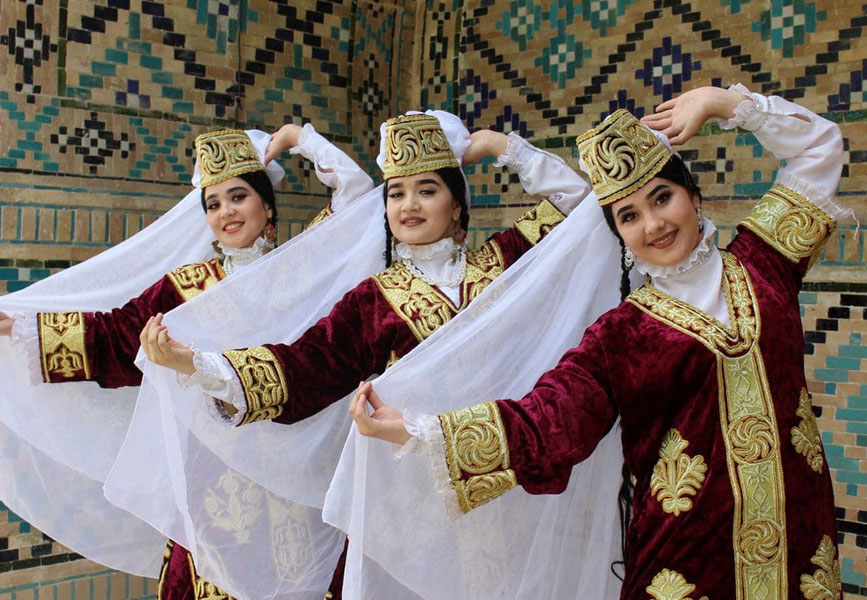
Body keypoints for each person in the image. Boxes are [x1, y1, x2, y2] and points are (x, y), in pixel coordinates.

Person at [351, 85, 845, 600]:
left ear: (693, 197)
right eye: (629, 215)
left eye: (662, 198)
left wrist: (724, 104)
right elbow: (545, 422)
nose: (653, 224)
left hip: (801, 548)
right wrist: (415, 429)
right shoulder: (620, 335)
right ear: (617, 231)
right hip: (684, 565)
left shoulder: (765, 263)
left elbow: (820, 148)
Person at [140, 110, 593, 598]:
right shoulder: (374, 299)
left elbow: (580, 203)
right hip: (408, 506)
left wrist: (499, 147)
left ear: (457, 205)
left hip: (500, 487)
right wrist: (198, 365)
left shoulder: (501, 265)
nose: (409, 205)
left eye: (427, 189)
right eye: (396, 193)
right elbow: (303, 367)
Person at [0, 124, 374, 600]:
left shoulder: (303, 267)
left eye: (238, 197)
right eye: (213, 204)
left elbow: (358, 195)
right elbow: (116, 335)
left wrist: (300, 139)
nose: (226, 213)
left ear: (267, 203)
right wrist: (18, 326)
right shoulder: (187, 286)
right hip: (216, 482)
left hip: (293, 471)